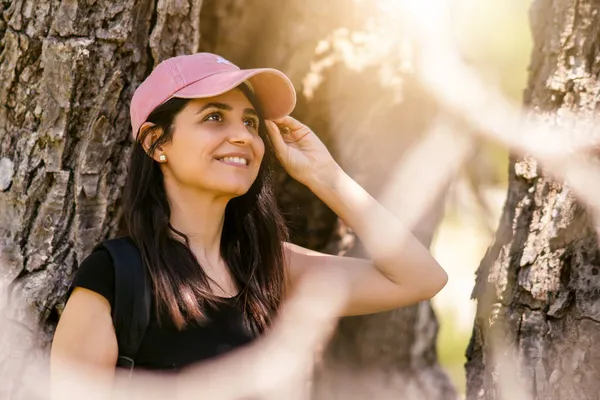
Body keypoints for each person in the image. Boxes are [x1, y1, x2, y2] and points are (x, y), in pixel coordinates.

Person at [50, 52, 448, 397]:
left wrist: (326, 177)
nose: (242, 136)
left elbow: (420, 277)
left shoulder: (272, 271)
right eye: (214, 117)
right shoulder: (116, 277)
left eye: (251, 122)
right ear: (157, 143)